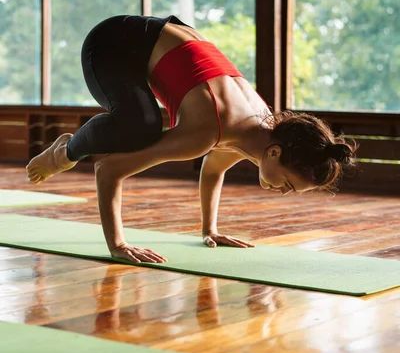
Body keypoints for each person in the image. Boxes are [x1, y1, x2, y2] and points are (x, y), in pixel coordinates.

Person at [26, 14, 357, 264]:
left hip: (146, 39)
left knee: (145, 125)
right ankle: (64, 152)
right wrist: (118, 245)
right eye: (287, 184)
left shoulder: (256, 129)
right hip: (111, 43)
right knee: (139, 125)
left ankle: (71, 146)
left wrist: (209, 230)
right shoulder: (207, 131)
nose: (281, 193)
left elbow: (213, 171)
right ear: (274, 153)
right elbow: (109, 170)